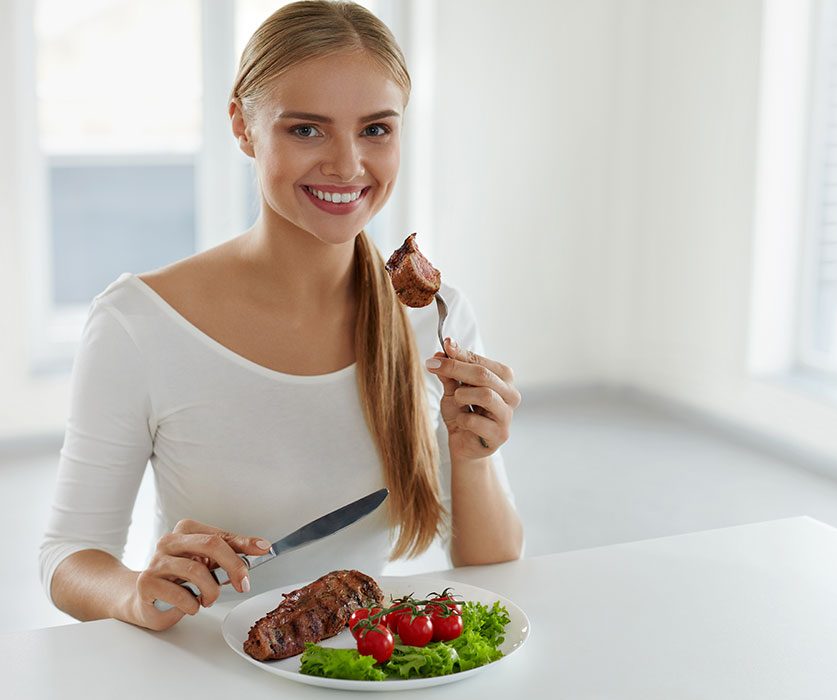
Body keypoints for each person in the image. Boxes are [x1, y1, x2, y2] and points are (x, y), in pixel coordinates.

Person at [39, 0, 523, 632]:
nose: (348, 165)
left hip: (363, 667)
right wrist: (134, 592)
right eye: (306, 129)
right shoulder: (140, 322)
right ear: (242, 125)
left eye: (376, 129)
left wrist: (475, 454)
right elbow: (67, 556)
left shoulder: (436, 316)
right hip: (206, 666)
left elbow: (491, 564)